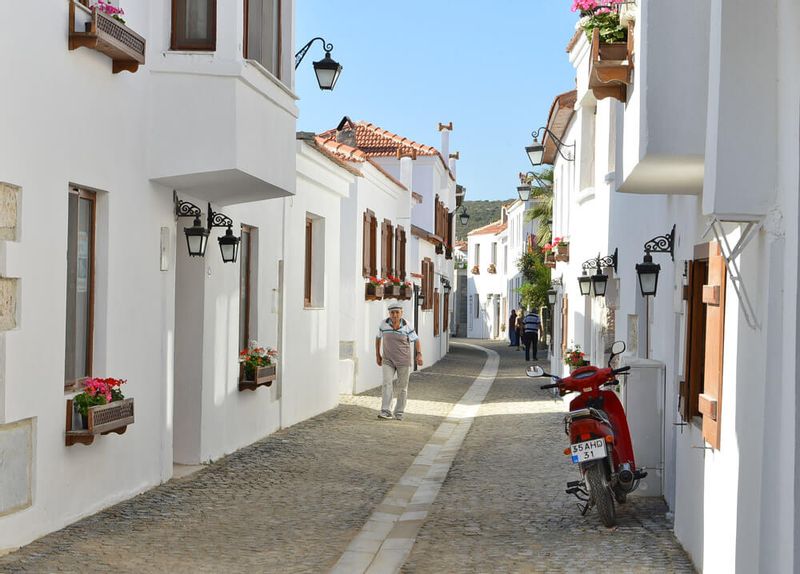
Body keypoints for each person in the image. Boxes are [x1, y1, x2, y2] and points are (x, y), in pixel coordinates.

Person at [375, 302, 423, 421]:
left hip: (403, 361)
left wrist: (419, 354)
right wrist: (378, 355)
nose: (395, 315)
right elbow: (378, 338)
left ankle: (399, 412)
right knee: (387, 383)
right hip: (388, 360)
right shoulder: (384, 324)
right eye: (392, 312)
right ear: (389, 314)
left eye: (397, 312)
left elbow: (416, 340)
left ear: (401, 313)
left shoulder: (407, 325)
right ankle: (386, 411)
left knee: (402, 387)